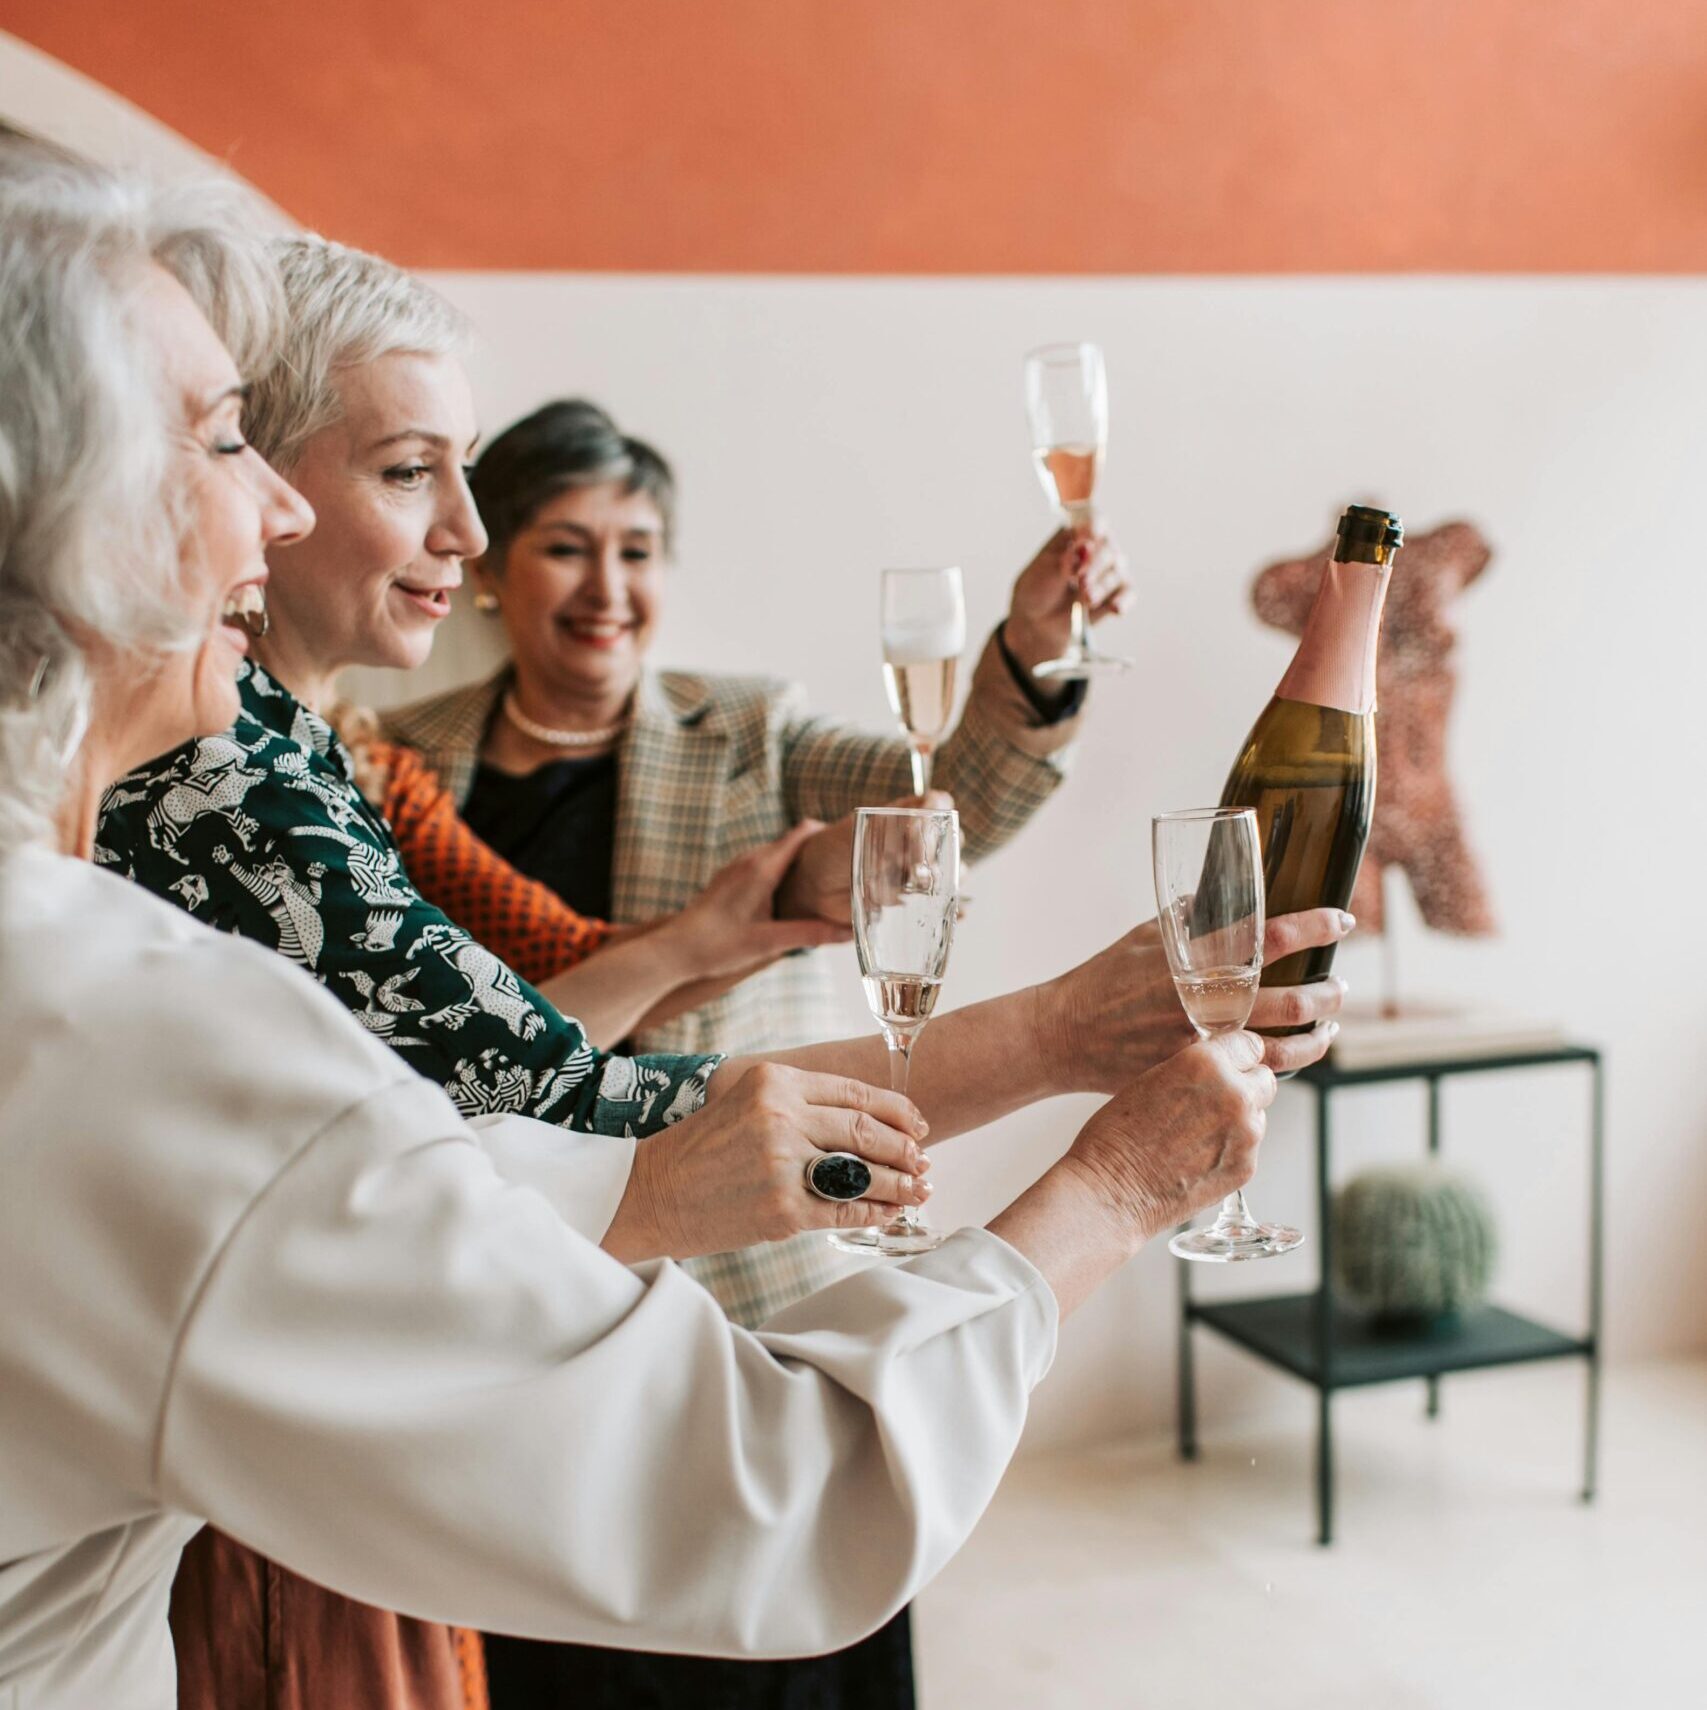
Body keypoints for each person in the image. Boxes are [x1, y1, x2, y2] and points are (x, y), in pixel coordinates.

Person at [0, 156, 1337, 1710]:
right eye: (232, 440)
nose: (282, 506)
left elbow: (452, 1118)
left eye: (629, 550)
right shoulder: (244, 859)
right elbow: (771, 1479)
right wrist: (1106, 1163)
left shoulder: (422, 755)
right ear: (71, 518)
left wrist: (1025, 668)